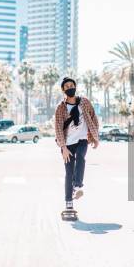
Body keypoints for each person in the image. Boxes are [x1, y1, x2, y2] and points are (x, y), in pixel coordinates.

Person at [54, 77, 99, 211]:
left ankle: (77, 185)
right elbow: (58, 128)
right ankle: (69, 202)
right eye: (67, 86)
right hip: (67, 144)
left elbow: (93, 118)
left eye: (71, 85)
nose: (70, 88)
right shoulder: (61, 108)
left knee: (80, 157)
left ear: (75, 87)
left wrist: (95, 137)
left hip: (82, 140)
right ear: (63, 90)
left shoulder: (84, 102)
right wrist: (63, 148)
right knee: (69, 172)